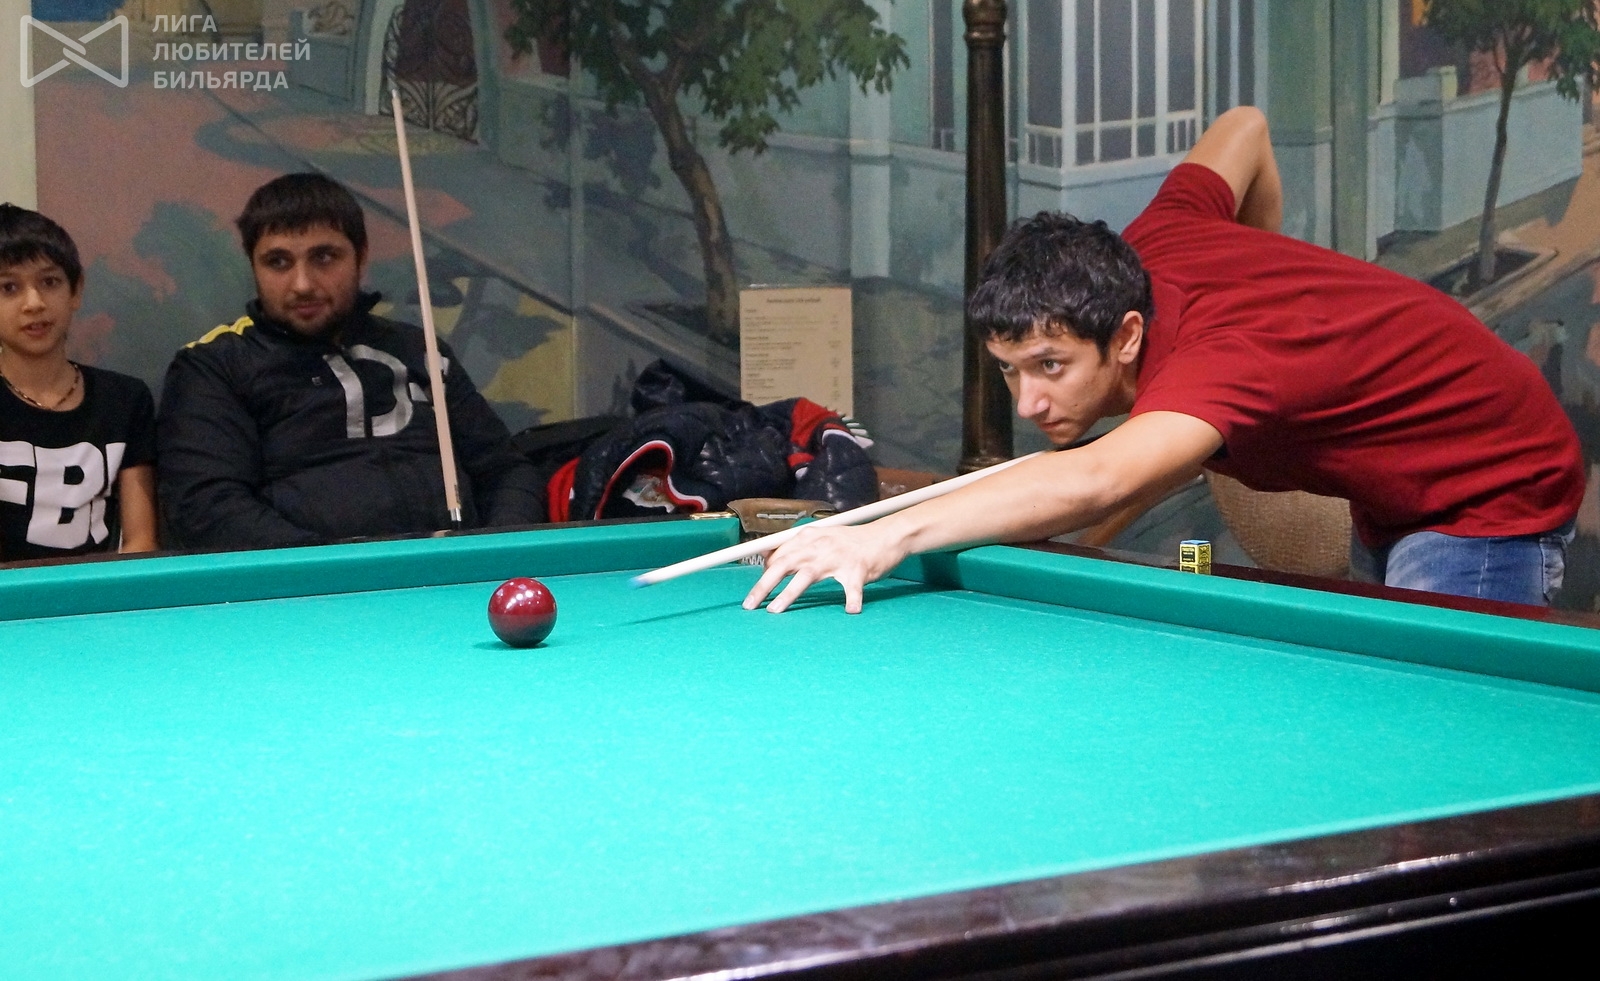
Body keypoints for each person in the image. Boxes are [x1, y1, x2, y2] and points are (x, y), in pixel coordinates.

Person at [745, 106, 1583, 613]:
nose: (1028, 402)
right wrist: (1265, 263)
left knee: (1439, 736)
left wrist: (879, 538)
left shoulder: (1221, 368)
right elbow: (1245, 128)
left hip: (1489, 490)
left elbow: (1097, 479)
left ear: (1128, 337)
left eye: (1050, 366)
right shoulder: (1155, 238)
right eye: (1010, 369)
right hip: (1395, 490)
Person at [156, 174, 542, 549]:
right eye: (278, 262)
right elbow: (206, 505)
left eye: (324, 257)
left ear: (361, 257)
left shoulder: (420, 348)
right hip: (310, 585)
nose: (303, 284)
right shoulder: (213, 365)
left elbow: (505, 470)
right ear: (253, 266)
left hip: (458, 574)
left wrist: (496, 553)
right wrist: (336, 569)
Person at [0, 204, 158, 562]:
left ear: (76, 290)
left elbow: (142, 542)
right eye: (9, 287)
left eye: (49, 282)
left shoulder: (125, 399)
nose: (34, 303)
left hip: (99, 591)